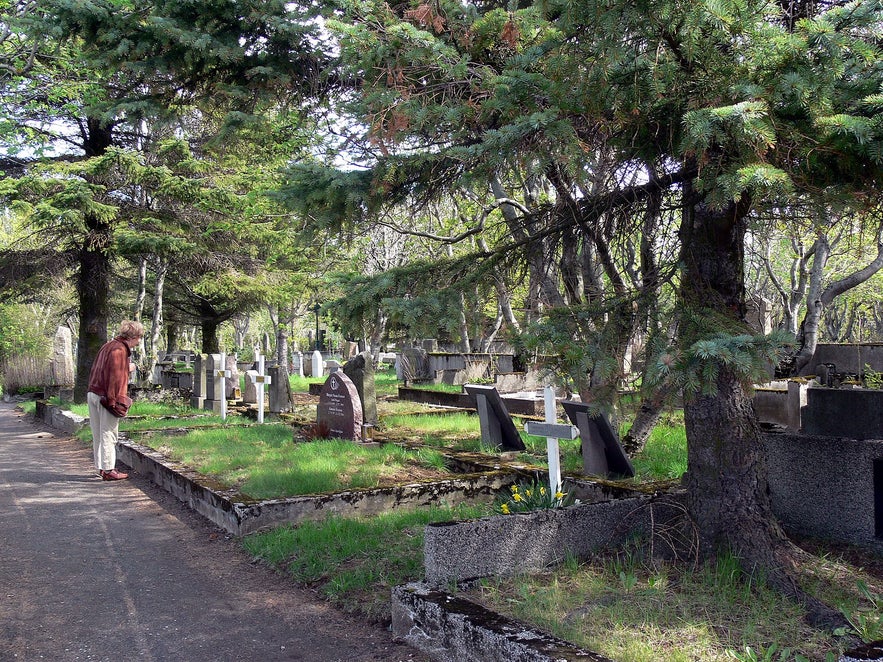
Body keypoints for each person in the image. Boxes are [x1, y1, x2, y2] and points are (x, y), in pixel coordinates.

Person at [86, 320, 144, 480]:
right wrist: (114, 403)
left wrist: (126, 368)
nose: (139, 341)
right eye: (139, 338)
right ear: (133, 336)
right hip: (106, 395)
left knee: (97, 433)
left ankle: (101, 467)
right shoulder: (119, 350)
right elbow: (114, 377)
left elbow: (103, 369)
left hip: (94, 392)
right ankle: (108, 469)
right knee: (108, 433)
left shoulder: (109, 345)